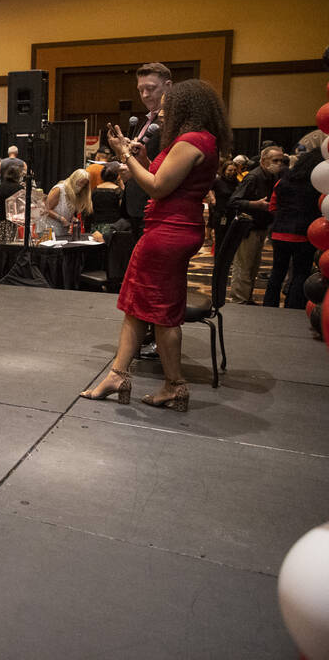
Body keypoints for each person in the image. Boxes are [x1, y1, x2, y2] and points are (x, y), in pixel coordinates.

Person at [83, 78, 229, 412]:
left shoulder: (191, 141)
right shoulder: (201, 141)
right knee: (141, 305)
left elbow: (158, 188)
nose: (161, 112)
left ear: (185, 107)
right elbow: (165, 182)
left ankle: (172, 383)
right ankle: (121, 375)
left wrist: (123, 154)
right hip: (174, 227)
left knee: (159, 312)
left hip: (168, 231)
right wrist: (144, 158)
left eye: (167, 105)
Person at [263, 147, 322, 309]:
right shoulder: (316, 186)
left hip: (279, 233)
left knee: (277, 272)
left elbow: (272, 207)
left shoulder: (283, 181)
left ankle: (269, 306)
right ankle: (293, 307)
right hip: (303, 235)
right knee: (300, 273)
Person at [119, 64, 171, 238]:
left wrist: (133, 169)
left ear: (168, 86)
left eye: (150, 88)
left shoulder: (171, 123)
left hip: (153, 205)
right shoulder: (148, 120)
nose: (145, 95)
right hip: (136, 205)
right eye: (141, 90)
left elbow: (164, 166)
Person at [228, 144, 285, 304]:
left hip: (261, 227)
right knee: (243, 267)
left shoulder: (273, 177)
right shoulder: (253, 177)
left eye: (281, 160)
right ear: (264, 160)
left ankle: (247, 297)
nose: (279, 164)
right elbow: (233, 201)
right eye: (275, 160)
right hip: (248, 228)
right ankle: (239, 300)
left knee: (253, 267)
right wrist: (255, 204)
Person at [41, 169, 93, 239]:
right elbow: (46, 209)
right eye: (81, 183)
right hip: (49, 230)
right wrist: (61, 218)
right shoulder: (59, 189)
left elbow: (66, 211)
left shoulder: (76, 193)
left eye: (84, 185)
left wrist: (72, 218)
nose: (81, 186)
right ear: (75, 179)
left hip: (63, 232)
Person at [209, 159, 240, 253]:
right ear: (224, 170)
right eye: (230, 170)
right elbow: (208, 188)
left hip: (233, 213)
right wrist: (212, 198)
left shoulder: (237, 182)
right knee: (220, 239)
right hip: (220, 213)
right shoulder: (218, 180)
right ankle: (218, 261)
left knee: (231, 238)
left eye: (234, 170)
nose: (232, 172)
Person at [0, 163, 25, 245]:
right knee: (10, 247)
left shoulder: (1, 186)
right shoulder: (19, 188)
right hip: (11, 223)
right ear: (18, 175)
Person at [89, 162, 124, 235]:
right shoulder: (117, 190)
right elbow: (123, 208)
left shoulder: (95, 189)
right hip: (113, 226)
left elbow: (91, 208)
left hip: (96, 226)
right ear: (117, 176)